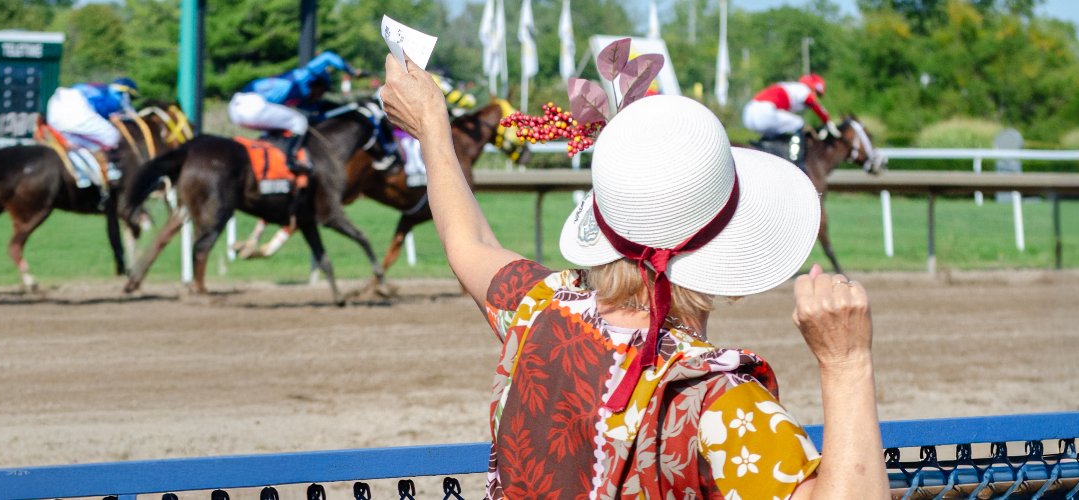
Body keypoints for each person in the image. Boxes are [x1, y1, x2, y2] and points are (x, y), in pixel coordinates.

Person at [380, 55, 887, 499]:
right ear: (728, 251)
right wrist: (846, 364)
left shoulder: (540, 308)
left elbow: (469, 245)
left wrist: (431, 127)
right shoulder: (722, 405)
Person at [229, 51, 371, 172]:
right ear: (318, 85)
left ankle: (267, 156)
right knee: (299, 121)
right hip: (252, 105)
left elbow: (317, 111)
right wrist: (353, 71)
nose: (321, 96)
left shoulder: (301, 94)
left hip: (236, 107)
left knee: (281, 126)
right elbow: (327, 57)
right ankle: (291, 160)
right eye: (323, 91)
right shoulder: (304, 76)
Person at [44, 77, 140, 190]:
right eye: (131, 98)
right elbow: (129, 115)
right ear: (125, 93)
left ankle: (82, 175)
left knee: (79, 143)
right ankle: (112, 168)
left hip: (55, 106)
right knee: (112, 135)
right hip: (74, 106)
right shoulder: (113, 96)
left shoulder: (100, 89)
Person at [743, 74, 838, 139]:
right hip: (765, 113)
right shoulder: (804, 90)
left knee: (774, 134)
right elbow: (817, 106)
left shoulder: (791, 86)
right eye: (817, 93)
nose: (816, 96)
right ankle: (797, 161)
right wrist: (827, 121)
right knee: (799, 123)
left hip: (748, 112)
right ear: (813, 88)